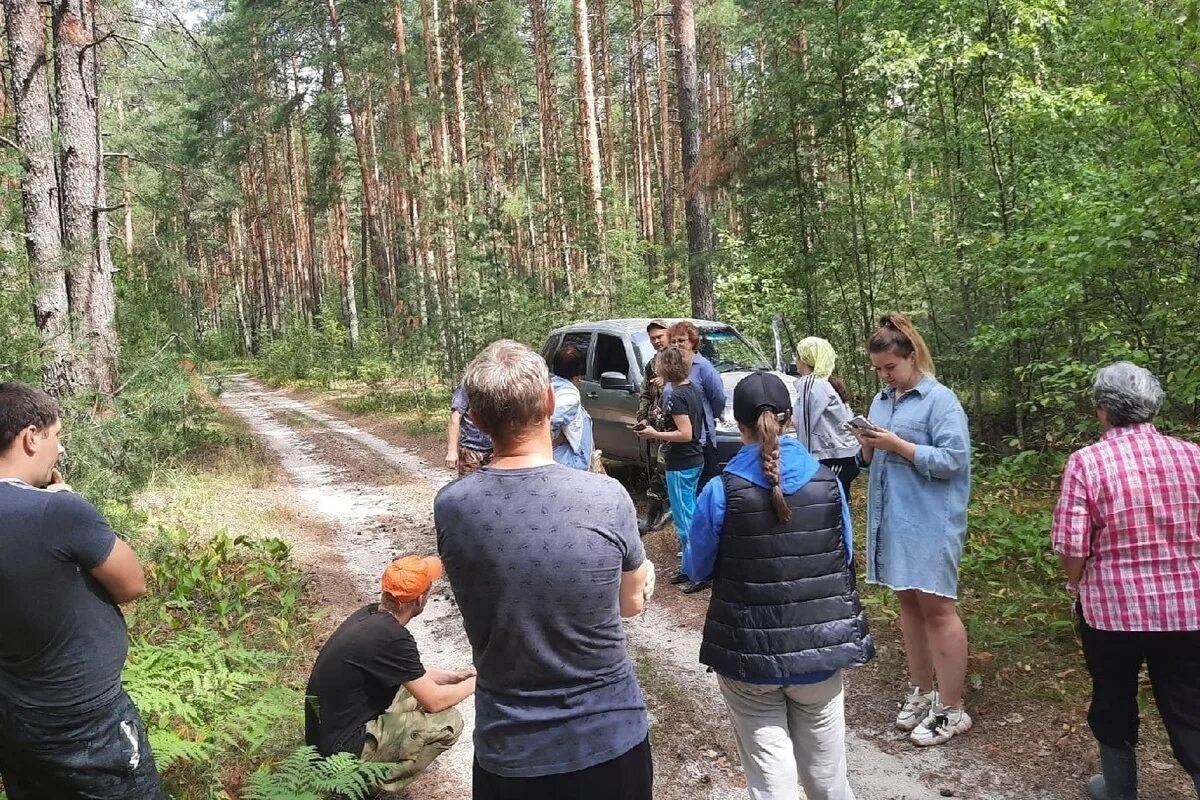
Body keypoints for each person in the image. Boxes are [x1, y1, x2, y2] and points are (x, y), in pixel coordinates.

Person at [435, 340, 654, 800]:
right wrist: (644, 577)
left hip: (509, 750)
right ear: (550, 404)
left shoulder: (453, 506)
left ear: (475, 420)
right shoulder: (606, 497)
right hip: (609, 739)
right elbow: (630, 605)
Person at [685, 372, 874, 800]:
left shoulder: (719, 491)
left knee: (772, 781)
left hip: (749, 656)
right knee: (829, 778)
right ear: (789, 420)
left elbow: (696, 568)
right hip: (821, 648)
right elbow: (841, 556)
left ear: (741, 424)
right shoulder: (828, 483)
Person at [0, 382, 164, 799]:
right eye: (56, 436)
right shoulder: (57, 511)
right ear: (30, 437)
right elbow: (133, 584)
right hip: (83, 718)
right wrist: (67, 501)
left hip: (13, 713)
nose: (60, 450)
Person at [1050, 362, 1200, 800]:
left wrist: (1075, 586)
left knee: (1113, 698)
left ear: (1103, 410)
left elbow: (1072, 546)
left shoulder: (1087, 462)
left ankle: (1120, 790)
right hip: (1189, 608)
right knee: (1191, 707)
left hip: (1113, 613)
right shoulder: (1193, 456)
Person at [848, 313, 971, 746]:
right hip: (893, 520)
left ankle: (953, 708)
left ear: (911, 356)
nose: (884, 376)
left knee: (938, 611)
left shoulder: (941, 401)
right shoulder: (883, 401)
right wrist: (866, 447)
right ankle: (922, 691)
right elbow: (870, 465)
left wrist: (898, 445)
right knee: (909, 608)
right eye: (878, 369)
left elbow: (954, 461)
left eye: (890, 367)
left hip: (931, 522)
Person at [305, 555, 474, 792]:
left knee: (411, 694)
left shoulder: (370, 617)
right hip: (342, 753)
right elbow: (436, 701)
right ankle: (357, 787)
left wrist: (451, 678)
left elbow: (408, 674)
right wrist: (479, 682)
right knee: (448, 723)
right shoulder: (392, 637)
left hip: (325, 739)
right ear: (420, 599)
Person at [637, 345, 708, 593]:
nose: (655, 367)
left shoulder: (677, 396)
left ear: (666, 367)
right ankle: (689, 568)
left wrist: (654, 434)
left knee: (685, 520)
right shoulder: (691, 390)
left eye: (658, 363)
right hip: (693, 460)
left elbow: (686, 433)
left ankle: (699, 573)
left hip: (681, 463)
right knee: (689, 515)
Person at [793, 336, 861, 496]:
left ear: (805, 358)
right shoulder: (825, 383)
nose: (795, 360)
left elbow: (805, 427)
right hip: (843, 457)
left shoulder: (812, 384)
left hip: (833, 459)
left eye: (797, 356)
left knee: (830, 507)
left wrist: (804, 463)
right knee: (836, 506)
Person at [666, 321, 727, 487]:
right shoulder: (671, 367)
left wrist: (705, 416)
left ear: (692, 341)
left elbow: (718, 398)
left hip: (700, 440)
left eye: (682, 340)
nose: (677, 345)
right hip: (677, 442)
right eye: (673, 341)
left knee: (704, 487)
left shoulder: (703, 367)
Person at [636, 319, 673, 533]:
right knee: (656, 469)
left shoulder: (679, 360)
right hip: (655, 426)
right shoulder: (651, 364)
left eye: (660, 336)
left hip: (674, 427)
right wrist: (642, 417)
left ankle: (662, 512)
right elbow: (645, 394)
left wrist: (667, 381)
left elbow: (690, 388)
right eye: (653, 338)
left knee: (665, 469)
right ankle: (654, 513)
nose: (657, 341)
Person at [550, 344, 596, 471]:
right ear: (578, 371)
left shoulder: (551, 387)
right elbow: (548, 422)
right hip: (569, 464)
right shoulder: (567, 397)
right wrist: (551, 441)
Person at [447, 383, 494, 476]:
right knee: (468, 487)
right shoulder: (467, 385)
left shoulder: (501, 382)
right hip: (471, 449)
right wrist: (452, 451)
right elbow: (455, 416)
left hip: (497, 450)